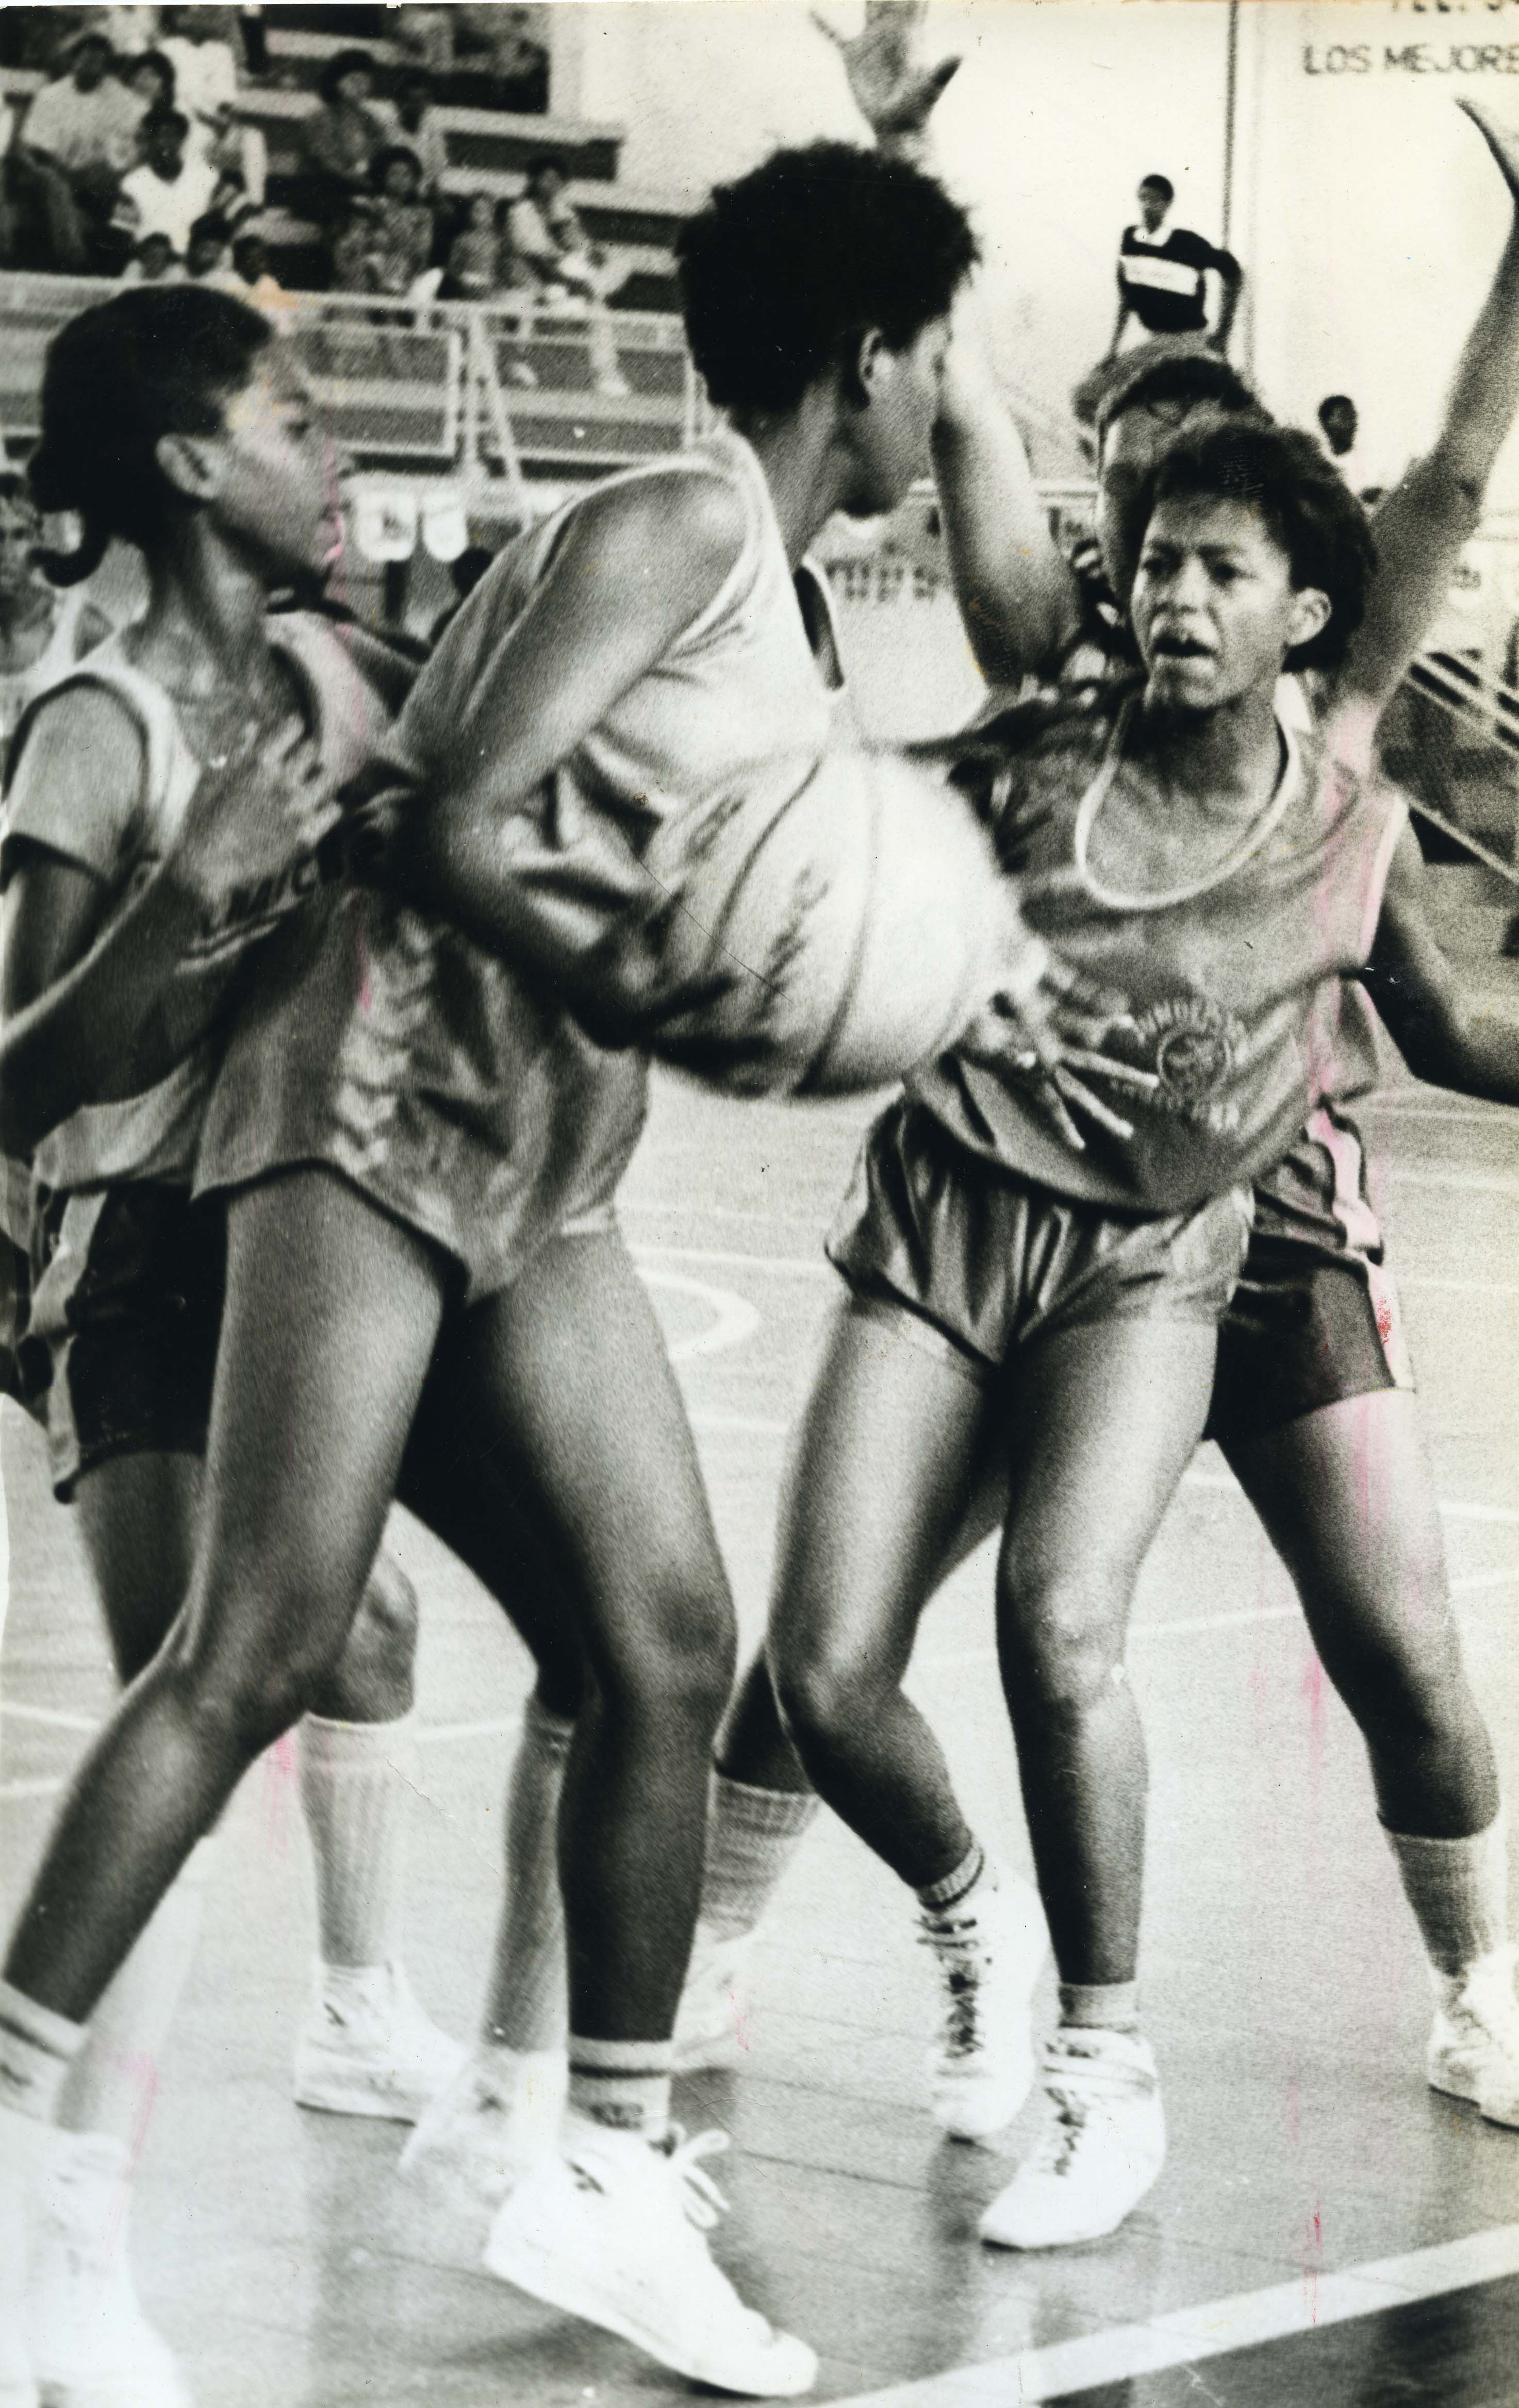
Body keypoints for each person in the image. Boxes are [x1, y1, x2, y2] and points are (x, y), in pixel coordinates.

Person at [0, 140, 1066, 2398]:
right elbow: (443, 816)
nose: (933, 405)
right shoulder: (676, 520)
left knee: (662, 1638)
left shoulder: (760, 587)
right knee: (259, 1640)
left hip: (535, 1154)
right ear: (860, 361)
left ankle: (592, 2159)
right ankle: (26, 2172)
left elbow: (1012, 640)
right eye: (927, 364)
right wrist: (683, 985)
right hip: (382, 1098)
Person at [708, 94, 1519, 2261]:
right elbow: (967, 443)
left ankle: (1472, 1977)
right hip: (1031, 1219)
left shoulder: (1331, 748)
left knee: (1389, 1643)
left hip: (1267, 1233)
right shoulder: (1065, 696)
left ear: (1289, 583)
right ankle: (730, 1939)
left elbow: (1449, 483)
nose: (1150, 555)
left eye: (1191, 525)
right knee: (827, 1635)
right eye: (1131, 521)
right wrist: (900, 186)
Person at [10, 27, 140, 271]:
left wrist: (107, 171)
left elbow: (129, 149)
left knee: (125, 190)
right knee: (57, 188)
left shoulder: (123, 99)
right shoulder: (51, 95)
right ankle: (73, 259)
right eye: (86, 58)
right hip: (54, 174)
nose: (92, 65)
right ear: (73, 60)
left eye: (99, 60)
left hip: (100, 179)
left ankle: (118, 263)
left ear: (107, 65)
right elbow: (37, 151)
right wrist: (67, 175)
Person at [506, 156, 630, 398]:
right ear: (534, 180)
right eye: (546, 178)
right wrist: (575, 283)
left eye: (557, 180)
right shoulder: (521, 212)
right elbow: (536, 261)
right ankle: (519, 363)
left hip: (567, 283)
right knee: (538, 297)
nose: (552, 185)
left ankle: (606, 375)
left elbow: (583, 248)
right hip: (532, 281)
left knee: (602, 304)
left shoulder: (563, 212)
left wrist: (594, 258)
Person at [1107, 172, 1242, 359]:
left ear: (1167, 204)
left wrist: (1222, 335)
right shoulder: (1130, 240)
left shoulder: (1187, 243)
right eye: (1143, 198)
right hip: (1156, 341)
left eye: (1155, 200)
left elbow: (1233, 271)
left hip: (1189, 342)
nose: (1147, 206)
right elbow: (1126, 298)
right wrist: (1112, 351)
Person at [113, 106, 219, 260]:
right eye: (157, 136)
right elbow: (122, 235)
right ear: (148, 141)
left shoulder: (207, 176)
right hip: (153, 265)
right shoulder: (131, 184)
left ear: (182, 139)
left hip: (199, 265)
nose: (164, 143)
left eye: (171, 136)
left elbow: (238, 216)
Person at [298, 46, 386, 229]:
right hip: (323, 189)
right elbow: (327, 163)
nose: (361, 87)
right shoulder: (320, 118)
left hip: (360, 188)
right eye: (354, 80)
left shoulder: (371, 121)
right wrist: (362, 182)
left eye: (366, 81)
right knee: (351, 212)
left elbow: (381, 156)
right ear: (337, 83)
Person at [373, 65, 449, 202]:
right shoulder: (386, 130)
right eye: (410, 100)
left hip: (422, 196)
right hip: (391, 194)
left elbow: (435, 176)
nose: (417, 106)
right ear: (398, 103)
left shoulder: (433, 132)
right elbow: (380, 171)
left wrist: (436, 198)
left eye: (422, 100)